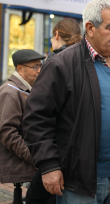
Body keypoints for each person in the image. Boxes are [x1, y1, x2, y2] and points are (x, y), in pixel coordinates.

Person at [22, 0, 110, 204]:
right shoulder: (61, 64)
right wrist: (49, 166)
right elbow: (36, 119)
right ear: (90, 28)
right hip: (79, 179)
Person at [26, 18, 82, 204]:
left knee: (37, 198)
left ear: (57, 35)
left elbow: (38, 115)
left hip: (58, 149)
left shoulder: (55, 62)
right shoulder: (87, 61)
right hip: (80, 153)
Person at [0, 49, 45, 184]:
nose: (39, 71)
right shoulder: (10, 93)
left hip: (23, 160)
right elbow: (8, 134)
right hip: (15, 164)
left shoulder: (24, 89)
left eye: (40, 66)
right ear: (20, 69)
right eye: (35, 67)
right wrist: (36, 158)